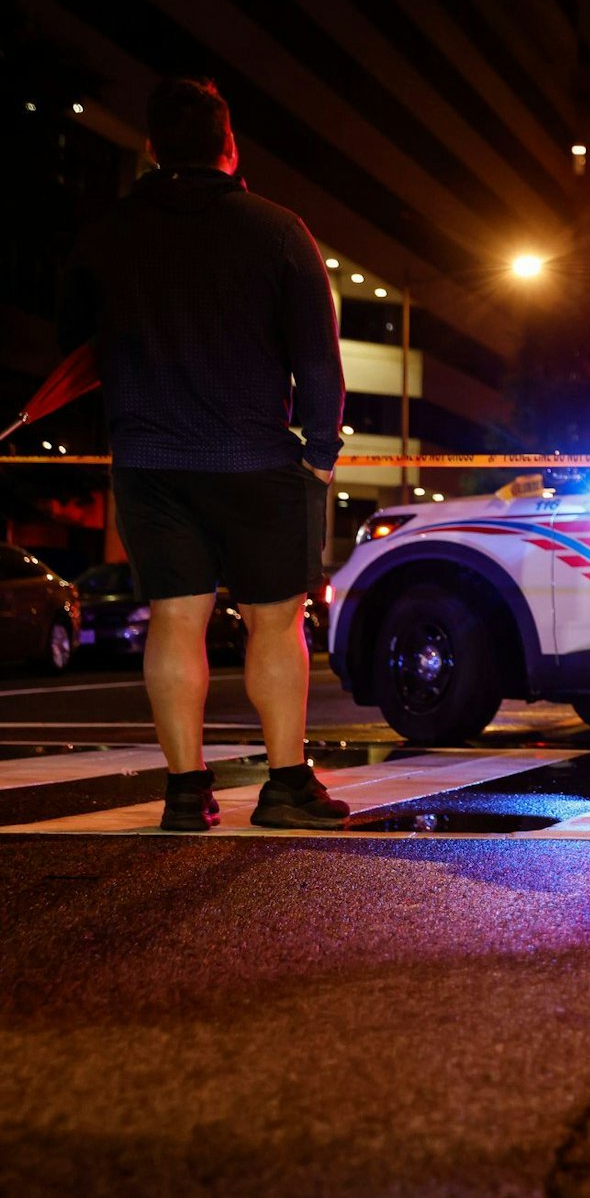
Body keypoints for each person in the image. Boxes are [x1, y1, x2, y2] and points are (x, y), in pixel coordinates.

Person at [58, 78, 348, 832]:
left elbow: (78, 349)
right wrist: (318, 452)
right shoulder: (278, 229)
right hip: (254, 457)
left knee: (175, 619)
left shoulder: (108, 234)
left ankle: (186, 791)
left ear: (152, 148)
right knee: (274, 622)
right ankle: (285, 785)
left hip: (150, 459)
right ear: (230, 145)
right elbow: (317, 359)